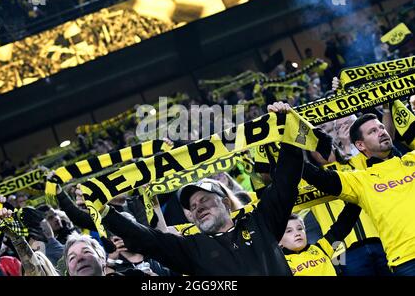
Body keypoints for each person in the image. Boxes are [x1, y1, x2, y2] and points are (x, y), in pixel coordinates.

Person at [98, 106, 306, 275]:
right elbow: (146, 239)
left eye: (204, 200)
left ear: (225, 202)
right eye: (193, 206)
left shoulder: (260, 222)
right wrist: (103, 211)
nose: (197, 208)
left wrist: (288, 130)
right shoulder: (191, 249)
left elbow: (285, 184)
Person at [302, 112, 415, 275]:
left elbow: (374, 146)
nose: (321, 146)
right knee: (343, 270)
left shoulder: (355, 165)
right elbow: (294, 172)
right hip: (338, 247)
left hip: (377, 240)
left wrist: (346, 141)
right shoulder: (308, 180)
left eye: (325, 138)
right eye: (315, 145)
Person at [280, 203, 361, 276]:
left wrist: (357, 199)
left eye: (300, 228)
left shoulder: (322, 248)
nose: (297, 233)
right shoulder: (278, 263)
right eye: (289, 231)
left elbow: (343, 225)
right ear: (279, 241)